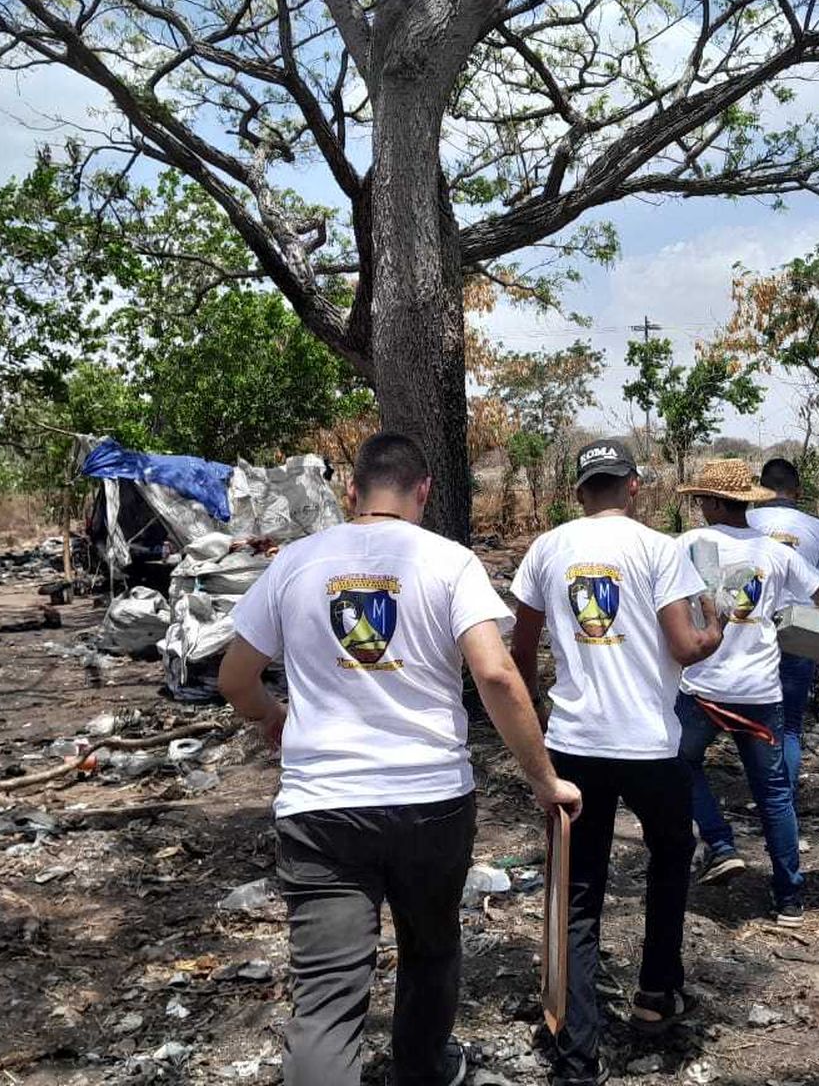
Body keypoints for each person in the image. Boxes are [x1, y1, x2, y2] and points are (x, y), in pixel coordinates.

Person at [218, 432, 583, 1086]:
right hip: (431, 805)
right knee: (432, 949)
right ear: (424, 491)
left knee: (327, 995)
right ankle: (423, 1067)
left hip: (323, 809)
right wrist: (543, 777)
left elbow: (235, 678)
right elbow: (497, 676)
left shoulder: (295, 563)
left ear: (350, 493)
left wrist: (273, 718)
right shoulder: (450, 562)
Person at [510, 438, 725, 1086]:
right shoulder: (661, 549)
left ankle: (578, 1059)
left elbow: (517, 652)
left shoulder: (548, 549)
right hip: (648, 746)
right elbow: (685, 647)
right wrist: (716, 628)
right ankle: (656, 996)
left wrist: (536, 723)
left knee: (578, 897)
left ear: (578, 492)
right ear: (634, 488)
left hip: (574, 745)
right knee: (669, 857)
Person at [673, 460, 819, 927]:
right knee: (774, 797)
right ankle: (789, 897)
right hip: (759, 690)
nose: (700, 507)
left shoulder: (688, 546)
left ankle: (720, 843)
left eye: (701, 500)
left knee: (678, 762)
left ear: (712, 502)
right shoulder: (776, 553)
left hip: (703, 687)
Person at [747, 457, 819, 783]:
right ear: (798, 491)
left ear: (759, 488)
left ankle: (760, 790)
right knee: (789, 725)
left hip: (749, 632)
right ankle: (784, 796)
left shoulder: (742, 521)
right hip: (800, 632)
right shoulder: (816, 528)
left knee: (749, 722)